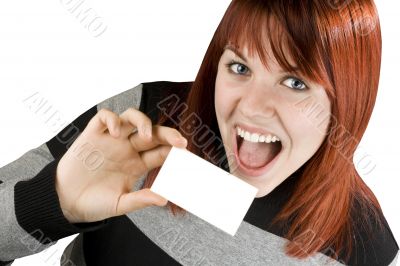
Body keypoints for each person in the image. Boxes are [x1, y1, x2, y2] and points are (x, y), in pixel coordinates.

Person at [0, 0, 398, 265]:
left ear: (347, 102)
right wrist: (53, 204)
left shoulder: (363, 247)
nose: (252, 107)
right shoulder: (146, 118)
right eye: (240, 68)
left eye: (295, 82)